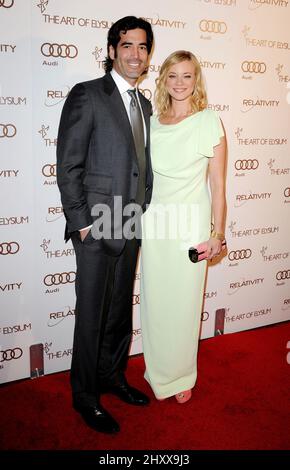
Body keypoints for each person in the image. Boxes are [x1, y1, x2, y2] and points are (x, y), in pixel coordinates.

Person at [56, 16, 154, 434]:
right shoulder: (87, 95)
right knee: (92, 315)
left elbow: (139, 167)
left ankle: (113, 378)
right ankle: (85, 395)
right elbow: (69, 165)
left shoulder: (145, 104)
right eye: (127, 45)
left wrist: (143, 204)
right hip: (95, 226)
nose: (135, 54)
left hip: (130, 221)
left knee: (117, 312)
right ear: (112, 50)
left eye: (143, 46)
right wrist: (81, 224)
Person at [140, 50, 226, 404]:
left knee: (185, 303)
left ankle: (180, 375)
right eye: (172, 75)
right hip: (156, 223)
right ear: (163, 80)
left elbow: (218, 186)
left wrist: (217, 234)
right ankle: (158, 370)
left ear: (196, 80)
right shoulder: (152, 122)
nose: (179, 82)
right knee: (156, 302)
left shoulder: (209, 120)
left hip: (191, 224)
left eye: (187, 75)